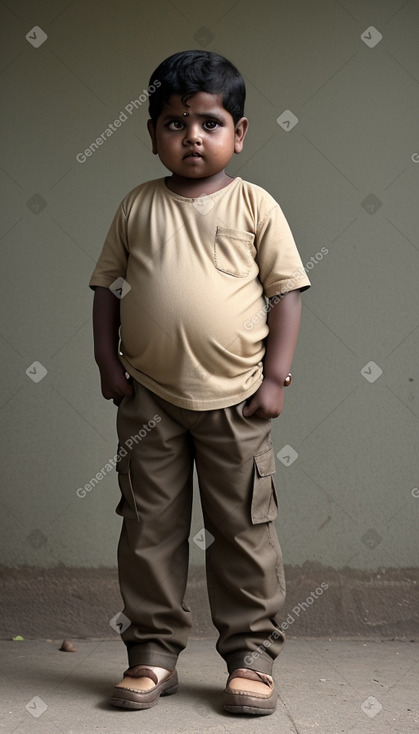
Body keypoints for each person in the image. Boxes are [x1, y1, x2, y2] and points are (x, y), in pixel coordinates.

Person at [89, 49, 310, 716]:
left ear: (238, 133)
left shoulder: (254, 206)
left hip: (238, 399)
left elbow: (287, 294)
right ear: (152, 133)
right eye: (175, 123)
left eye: (210, 123)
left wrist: (276, 378)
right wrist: (108, 364)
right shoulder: (137, 207)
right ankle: (152, 653)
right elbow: (106, 289)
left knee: (244, 529)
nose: (192, 136)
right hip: (149, 397)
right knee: (148, 529)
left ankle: (250, 657)